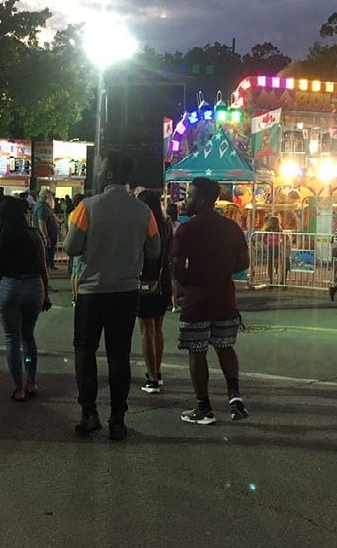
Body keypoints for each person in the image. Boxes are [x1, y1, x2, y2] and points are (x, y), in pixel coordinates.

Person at [63, 151, 161, 441]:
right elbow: (154, 250)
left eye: (101, 166)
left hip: (92, 292)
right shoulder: (144, 212)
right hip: (126, 293)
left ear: (108, 174)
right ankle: (117, 419)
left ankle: (89, 413)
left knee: (85, 350)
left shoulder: (86, 207)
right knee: (119, 355)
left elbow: (70, 248)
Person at [173, 177, 251, 425]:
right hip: (225, 298)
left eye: (191, 195)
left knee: (197, 352)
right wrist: (223, 272)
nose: (187, 200)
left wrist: (190, 282)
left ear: (203, 199)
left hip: (197, 300)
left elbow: (176, 267)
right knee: (225, 346)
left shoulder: (187, 229)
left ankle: (204, 407)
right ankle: (234, 396)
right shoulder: (231, 227)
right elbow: (244, 263)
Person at [0, 197, 51, 401]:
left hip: (9, 286)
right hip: (34, 286)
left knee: (12, 338)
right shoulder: (33, 235)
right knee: (28, 335)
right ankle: (31, 381)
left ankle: (18, 388)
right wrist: (45, 292)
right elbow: (42, 267)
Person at [136, 190, 173, 393]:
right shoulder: (166, 226)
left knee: (145, 330)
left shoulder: (143, 226)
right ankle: (157, 373)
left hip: (145, 280)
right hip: (163, 280)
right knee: (158, 329)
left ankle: (151, 378)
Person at [33, 187, 60, 270]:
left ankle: (49, 265)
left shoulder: (44, 206)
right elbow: (42, 222)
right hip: (48, 234)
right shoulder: (42, 207)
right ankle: (47, 267)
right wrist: (46, 236)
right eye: (50, 196)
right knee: (47, 251)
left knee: (49, 251)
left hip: (49, 234)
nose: (52, 198)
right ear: (46, 196)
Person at [261, 215, 284, 285]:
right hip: (277, 247)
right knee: (279, 262)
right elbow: (283, 238)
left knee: (270, 263)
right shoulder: (279, 230)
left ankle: (271, 279)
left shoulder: (267, 230)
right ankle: (280, 278)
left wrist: (266, 243)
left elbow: (264, 239)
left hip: (270, 247)